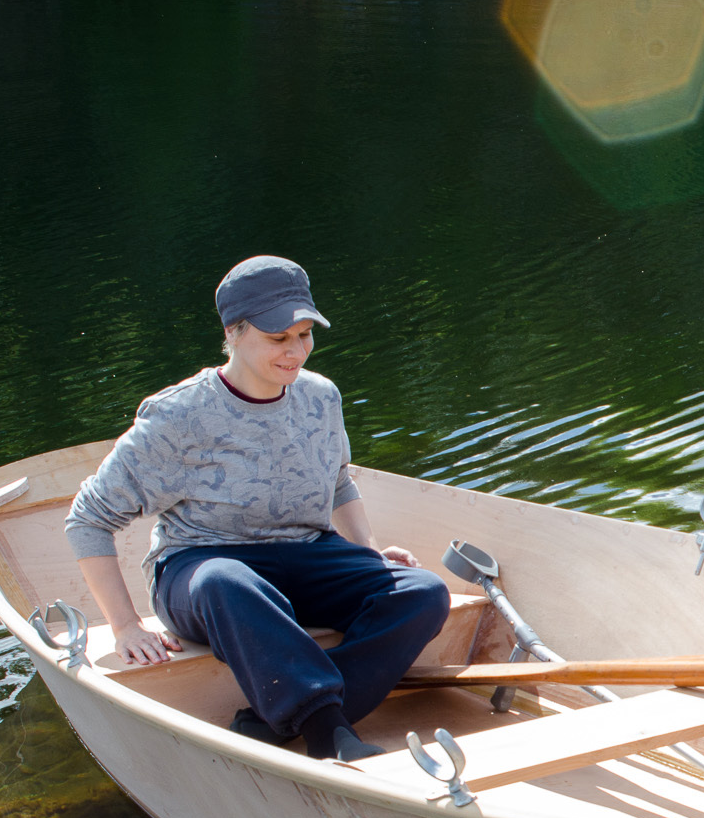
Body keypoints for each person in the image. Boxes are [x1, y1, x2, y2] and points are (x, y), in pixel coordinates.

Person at [63, 256, 453, 764]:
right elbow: (88, 519)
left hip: (306, 553)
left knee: (422, 591)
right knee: (227, 580)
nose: (296, 352)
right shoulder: (179, 416)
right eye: (278, 338)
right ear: (234, 331)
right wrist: (124, 626)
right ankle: (325, 730)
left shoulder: (320, 397)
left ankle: (272, 720)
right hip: (203, 571)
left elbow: (337, 483)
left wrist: (369, 553)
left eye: (305, 334)